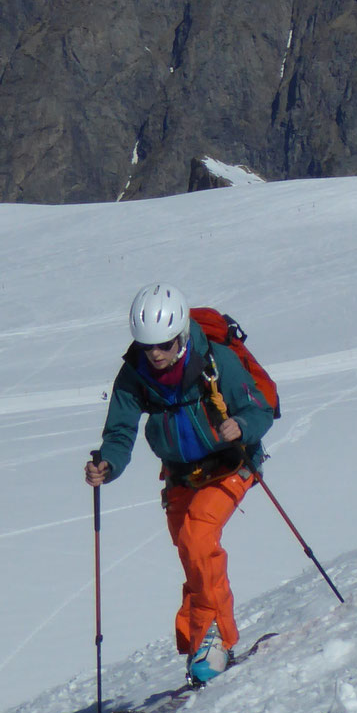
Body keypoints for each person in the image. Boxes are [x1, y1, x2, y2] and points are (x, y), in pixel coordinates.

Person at [85, 284, 276, 686]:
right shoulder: (134, 374)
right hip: (181, 475)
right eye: (147, 345)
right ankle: (202, 641)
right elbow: (119, 433)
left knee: (198, 537)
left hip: (232, 464)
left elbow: (258, 408)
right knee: (193, 554)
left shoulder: (215, 359)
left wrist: (239, 426)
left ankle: (216, 640)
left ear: (182, 334)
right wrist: (107, 464)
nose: (155, 354)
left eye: (164, 344)